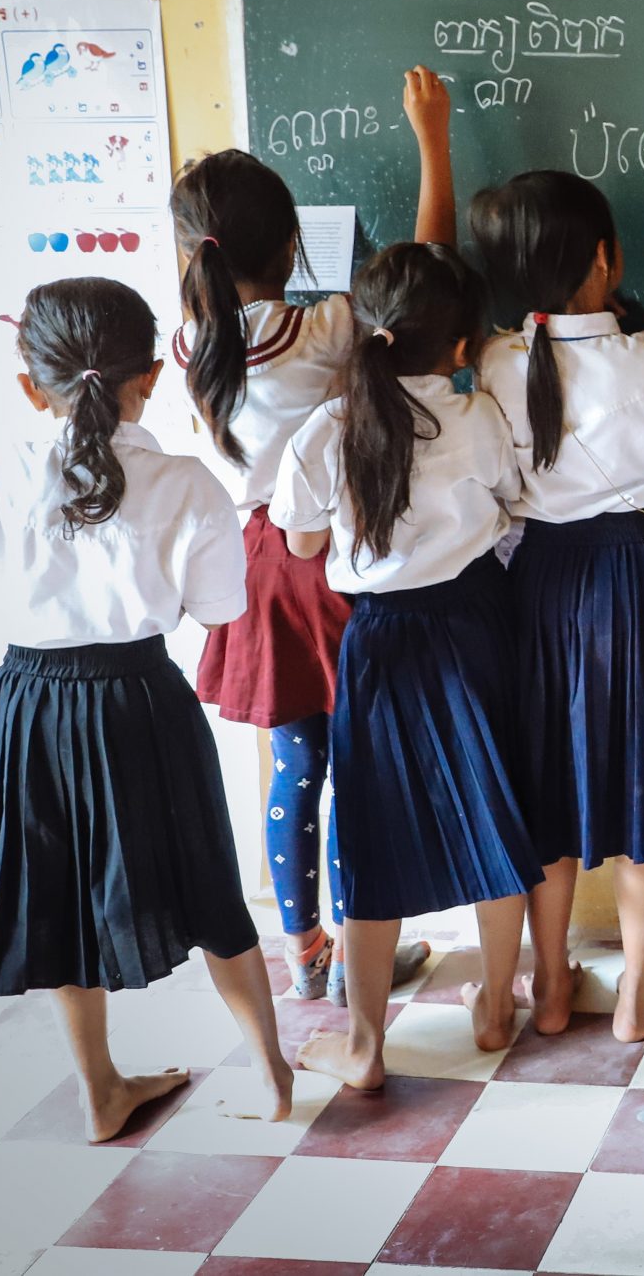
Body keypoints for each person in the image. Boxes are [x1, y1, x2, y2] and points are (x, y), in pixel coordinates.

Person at [0, 277, 294, 1140]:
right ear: (154, 374)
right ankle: (270, 1070)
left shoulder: (4, 472)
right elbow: (218, 609)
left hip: (28, 708)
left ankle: (98, 1090)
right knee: (208, 881)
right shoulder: (187, 482)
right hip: (140, 700)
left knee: (56, 897)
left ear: (30, 386)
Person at [169, 66, 453, 1004]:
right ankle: (357, 950)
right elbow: (425, 275)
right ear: (293, 246)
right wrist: (432, 142)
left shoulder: (189, 343)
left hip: (253, 566)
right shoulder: (323, 328)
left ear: (194, 255)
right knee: (357, 767)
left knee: (295, 765)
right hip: (326, 560)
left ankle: (306, 951)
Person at [470, 172, 644, 1044]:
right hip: (635, 578)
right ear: (605, 260)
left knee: (550, 791)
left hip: (540, 581)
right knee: (640, 788)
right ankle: (634, 996)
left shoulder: (498, 361)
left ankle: (550, 987)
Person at [273, 242, 540, 1089]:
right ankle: (495, 1007)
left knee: (370, 831)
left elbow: (300, 542)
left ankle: (364, 1045)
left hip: (380, 639)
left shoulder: (326, 428)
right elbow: (511, 501)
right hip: (473, 621)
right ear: (461, 346)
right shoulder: (478, 416)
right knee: (494, 809)